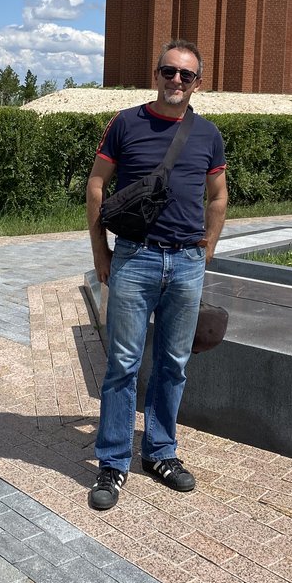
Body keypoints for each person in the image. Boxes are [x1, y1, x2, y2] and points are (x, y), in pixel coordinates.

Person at [85, 40, 228, 511]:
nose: (176, 81)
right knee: (122, 365)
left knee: (174, 363)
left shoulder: (207, 134)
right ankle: (112, 462)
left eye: (186, 75)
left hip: (186, 264)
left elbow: (218, 195)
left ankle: (160, 453)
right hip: (135, 260)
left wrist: (206, 248)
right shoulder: (127, 123)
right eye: (169, 72)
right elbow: (97, 184)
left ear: (197, 83)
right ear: (157, 74)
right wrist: (100, 252)